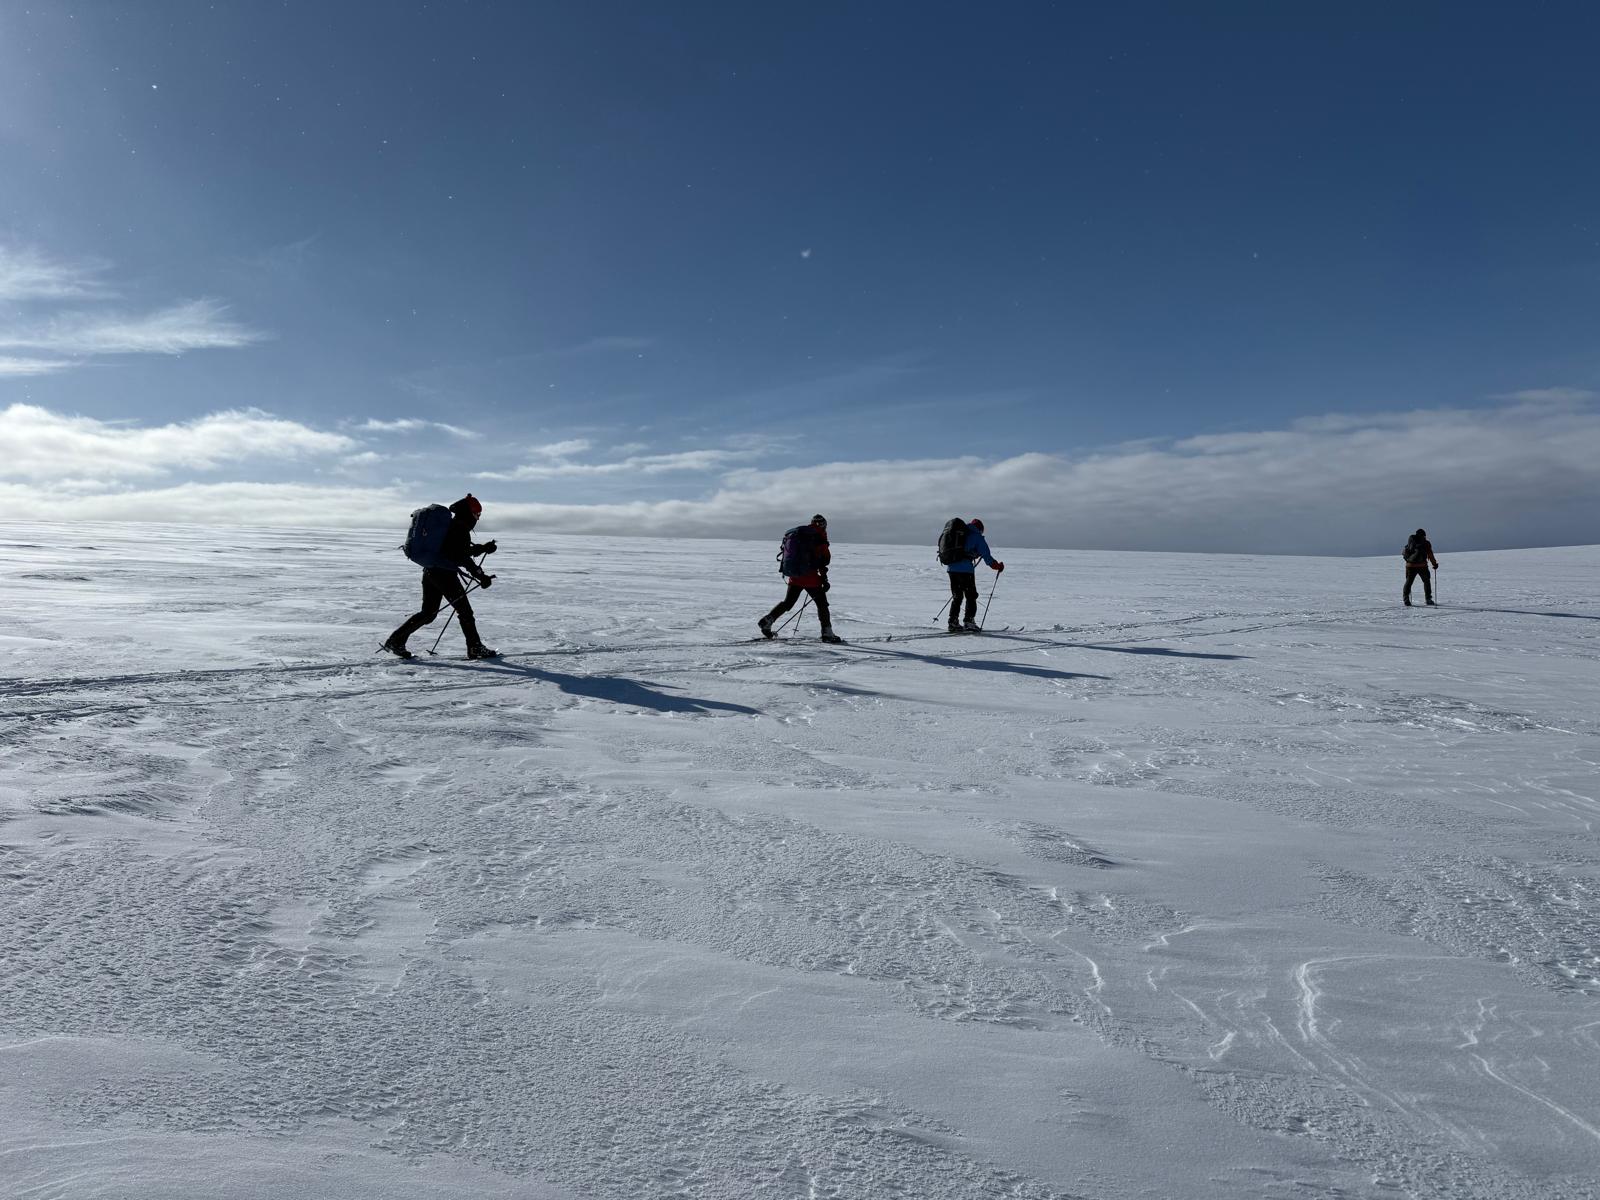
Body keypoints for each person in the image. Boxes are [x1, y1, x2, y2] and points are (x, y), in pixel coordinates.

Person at [384, 494, 500, 658]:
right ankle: (475, 648)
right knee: (465, 612)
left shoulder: (450, 526)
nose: (478, 518)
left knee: (428, 613)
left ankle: (396, 640)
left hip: (431, 570)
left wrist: (482, 549)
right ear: (469, 513)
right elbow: (461, 556)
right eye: (477, 514)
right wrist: (481, 575)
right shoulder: (459, 529)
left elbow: (458, 551)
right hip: (445, 575)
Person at [759, 514, 842, 643]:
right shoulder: (819, 537)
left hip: (795, 577)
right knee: (822, 605)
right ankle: (827, 633)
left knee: (788, 603)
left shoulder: (799, 534)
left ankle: (767, 621)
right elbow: (823, 561)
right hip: (810, 579)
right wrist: (824, 580)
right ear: (823, 525)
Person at [946, 518, 1003, 632]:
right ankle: (969, 621)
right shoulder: (977, 537)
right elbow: (987, 557)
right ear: (980, 529)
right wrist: (998, 566)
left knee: (957, 596)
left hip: (951, 568)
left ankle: (953, 621)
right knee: (971, 596)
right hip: (965, 570)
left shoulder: (960, 533)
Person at [1402, 527, 1439, 607]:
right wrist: (1434, 564)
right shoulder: (1426, 543)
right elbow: (1430, 554)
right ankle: (1428, 599)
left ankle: (1406, 599)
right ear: (1423, 535)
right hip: (1422, 566)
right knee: (1426, 581)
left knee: (1408, 582)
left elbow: (1406, 552)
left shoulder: (1411, 542)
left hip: (1410, 565)